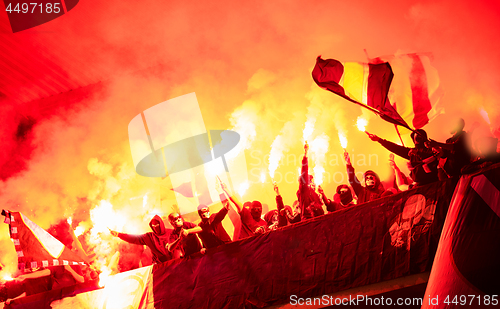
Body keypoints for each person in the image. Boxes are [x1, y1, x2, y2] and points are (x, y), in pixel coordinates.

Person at [367, 129, 439, 186]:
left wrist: (417, 153)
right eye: (415, 135)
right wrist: (379, 140)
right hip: (419, 185)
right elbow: (395, 148)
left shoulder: (431, 150)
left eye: (420, 136)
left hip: (433, 183)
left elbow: (431, 157)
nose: (417, 137)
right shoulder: (411, 152)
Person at [297, 142, 325, 219]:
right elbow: (304, 173)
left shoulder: (316, 195)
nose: (312, 183)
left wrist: (322, 195)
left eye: (312, 181)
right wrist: (305, 155)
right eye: (310, 181)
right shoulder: (304, 191)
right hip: (308, 221)